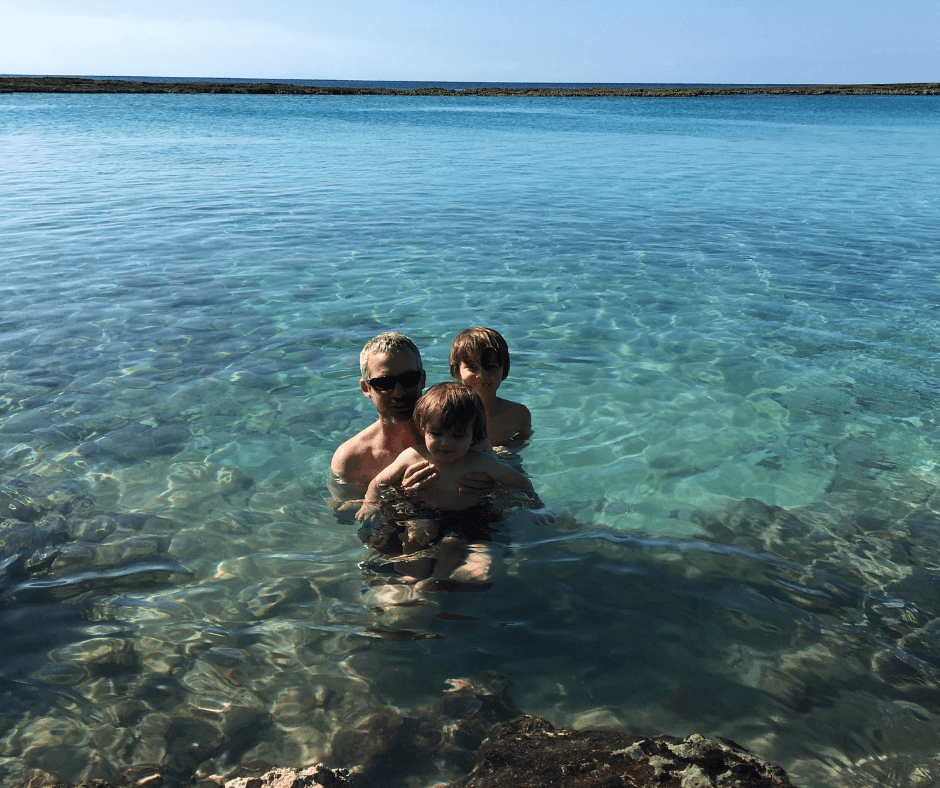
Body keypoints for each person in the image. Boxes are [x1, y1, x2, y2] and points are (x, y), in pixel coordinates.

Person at [355, 382, 551, 556]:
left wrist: (536, 506)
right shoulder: (412, 456)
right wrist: (369, 503)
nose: (445, 443)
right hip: (425, 515)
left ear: (473, 435)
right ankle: (412, 579)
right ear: (422, 428)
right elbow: (379, 482)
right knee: (413, 547)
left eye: (458, 436)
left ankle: (439, 575)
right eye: (436, 433)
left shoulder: (481, 461)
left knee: (473, 557)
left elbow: (519, 481)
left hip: (472, 516)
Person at [329, 332, 491, 508]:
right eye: (384, 383)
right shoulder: (352, 458)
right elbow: (345, 516)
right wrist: (400, 497)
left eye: (409, 379)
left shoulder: (461, 434)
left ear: (422, 380)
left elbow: (508, 492)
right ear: (366, 388)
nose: (398, 393)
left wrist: (492, 489)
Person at [449, 327, 533, 449]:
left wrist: (506, 449)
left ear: (504, 370)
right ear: (456, 370)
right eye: (472, 367)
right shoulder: (447, 413)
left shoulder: (518, 414)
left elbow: (523, 439)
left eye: (490, 367)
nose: (482, 375)